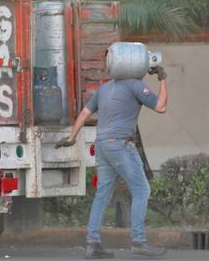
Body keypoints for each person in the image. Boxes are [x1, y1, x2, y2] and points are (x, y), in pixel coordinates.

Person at [56, 64, 168, 259]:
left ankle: (92, 244)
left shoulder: (104, 88)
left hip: (102, 145)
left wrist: (72, 137)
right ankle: (139, 242)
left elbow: (84, 113)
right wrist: (163, 79)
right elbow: (161, 107)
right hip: (121, 145)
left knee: (102, 195)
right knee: (142, 190)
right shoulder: (135, 85)